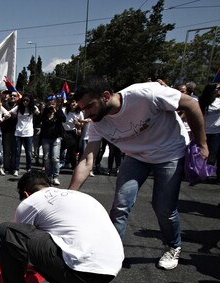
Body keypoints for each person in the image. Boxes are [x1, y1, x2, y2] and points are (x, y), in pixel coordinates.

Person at [70, 77, 208, 270]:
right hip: (135, 157)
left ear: (106, 96)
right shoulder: (97, 122)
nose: (86, 113)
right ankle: (113, 252)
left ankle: (173, 245)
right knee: (120, 205)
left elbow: (191, 104)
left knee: (164, 209)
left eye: (89, 107)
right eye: (83, 109)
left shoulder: (145, 94)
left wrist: (202, 144)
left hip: (169, 153)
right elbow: (87, 160)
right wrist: (69, 195)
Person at [0, 170, 124, 283]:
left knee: (4, 232)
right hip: (111, 267)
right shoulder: (79, 196)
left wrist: (21, 269)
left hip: (80, 267)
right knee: (58, 253)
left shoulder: (31, 202)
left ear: (26, 194)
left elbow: (17, 244)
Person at [9, 94, 39, 175]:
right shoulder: (18, 107)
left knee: (28, 152)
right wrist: (10, 115)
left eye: (27, 101)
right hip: (18, 132)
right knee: (17, 152)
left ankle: (29, 168)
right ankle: (16, 169)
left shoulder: (33, 108)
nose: (25, 102)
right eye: (24, 100)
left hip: (28, 133)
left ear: (30, 101)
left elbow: (39, 114)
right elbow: (10, 112)